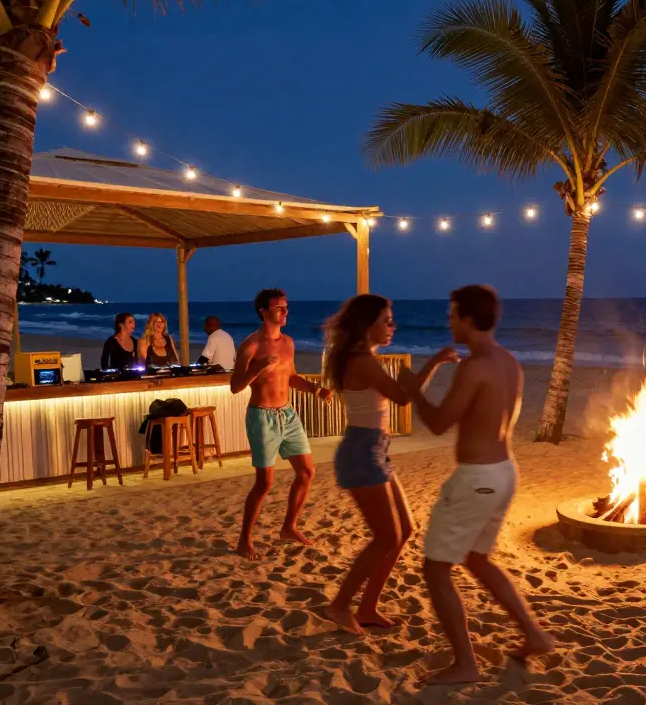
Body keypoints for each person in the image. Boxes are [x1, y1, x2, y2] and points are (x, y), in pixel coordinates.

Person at [398, 285, 553, 684]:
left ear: (468, 319)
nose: (449, 322)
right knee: (478, 559)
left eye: (452, 315)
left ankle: (465, 663)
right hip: (505, 471)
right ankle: (534, 634)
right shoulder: (509, 361)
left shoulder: (476, 365)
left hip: (478, 479)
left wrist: (415, 389)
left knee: (435, 569)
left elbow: (437, 423)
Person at [321, 294, 458, 633]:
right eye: (386, 320)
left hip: (374, 448)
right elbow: (401, 397)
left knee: (403, 532)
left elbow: (400, 393)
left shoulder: (364, 356)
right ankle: (340, 606)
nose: (392, 326)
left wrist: (428, 368)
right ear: (367, 324)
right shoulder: (362, 360)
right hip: (362, 451)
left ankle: (367, 607)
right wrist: (434, 362)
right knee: (385, 538)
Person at [232, 288, 332, 560]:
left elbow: (291, 377)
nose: (285, 312)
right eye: (279, 307)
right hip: (262, 417)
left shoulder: (288, 342)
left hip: (287, 414)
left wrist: (315, 390)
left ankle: (289, 527)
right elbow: (235, 386)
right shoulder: (250, 345)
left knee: (307, 472)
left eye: (286, 307)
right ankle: (244, 540)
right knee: (265, 483)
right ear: (263, 312)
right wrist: (256, 368)